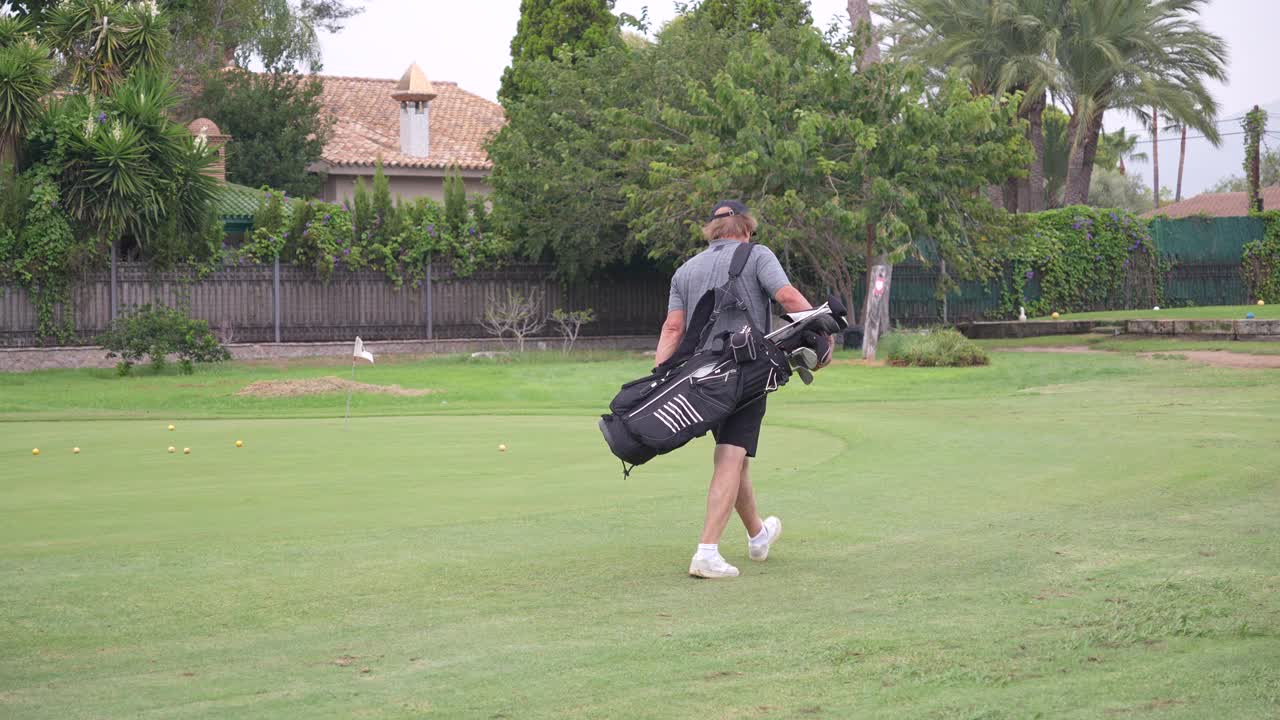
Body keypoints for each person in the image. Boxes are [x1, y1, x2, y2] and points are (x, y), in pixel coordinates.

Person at [656, 200, 825, 579]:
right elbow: (788, 298)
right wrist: (822, 331)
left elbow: (672, 328)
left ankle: (758, 534)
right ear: (746, 229)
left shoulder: (685, 270)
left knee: (736, 455)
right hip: (746, 372)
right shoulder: (757, 254)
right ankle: (706, 551)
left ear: (713, 232)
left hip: (701, 378)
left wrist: (660, 376)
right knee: (730, 456)